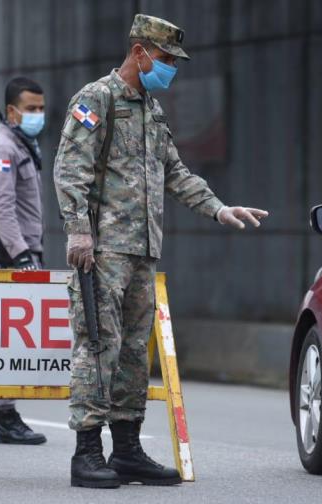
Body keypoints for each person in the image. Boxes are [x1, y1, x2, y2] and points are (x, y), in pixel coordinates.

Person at [54, 14, 268, 488]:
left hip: (142, 251)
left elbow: (175, 173)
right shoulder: (97, 99)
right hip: (103, 250)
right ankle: (87, 451)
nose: (170, 68)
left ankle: (126, 448)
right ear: (139, 52)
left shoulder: (151, 110)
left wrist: (218, 208)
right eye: (166, 59)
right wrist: (78, 231)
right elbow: (70, 169)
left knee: (133, 351)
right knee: (97, 345)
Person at [0, 76, 48, 445]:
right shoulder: (2, 149)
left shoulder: (22, 143)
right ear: (13, 111)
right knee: (6, 341)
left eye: (41, 108)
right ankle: (5, 419)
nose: (38, 115)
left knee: (11, 336)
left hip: (19, 254)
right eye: (31, 109)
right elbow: (2, 211)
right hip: (7, 258)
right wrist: (22, 256)